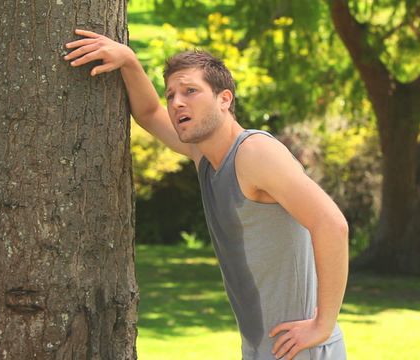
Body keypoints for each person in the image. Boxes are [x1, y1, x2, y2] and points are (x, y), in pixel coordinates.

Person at [64, 29, 348, 360]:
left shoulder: (255, 153)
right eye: (171, 95)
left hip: (301, 348)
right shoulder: (206, 157)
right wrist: (128, 61)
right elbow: (149, 114)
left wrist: (322, 325)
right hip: (263, 348)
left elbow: (331, 224)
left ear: (224, 99)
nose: (177, 102)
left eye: (191, 91)